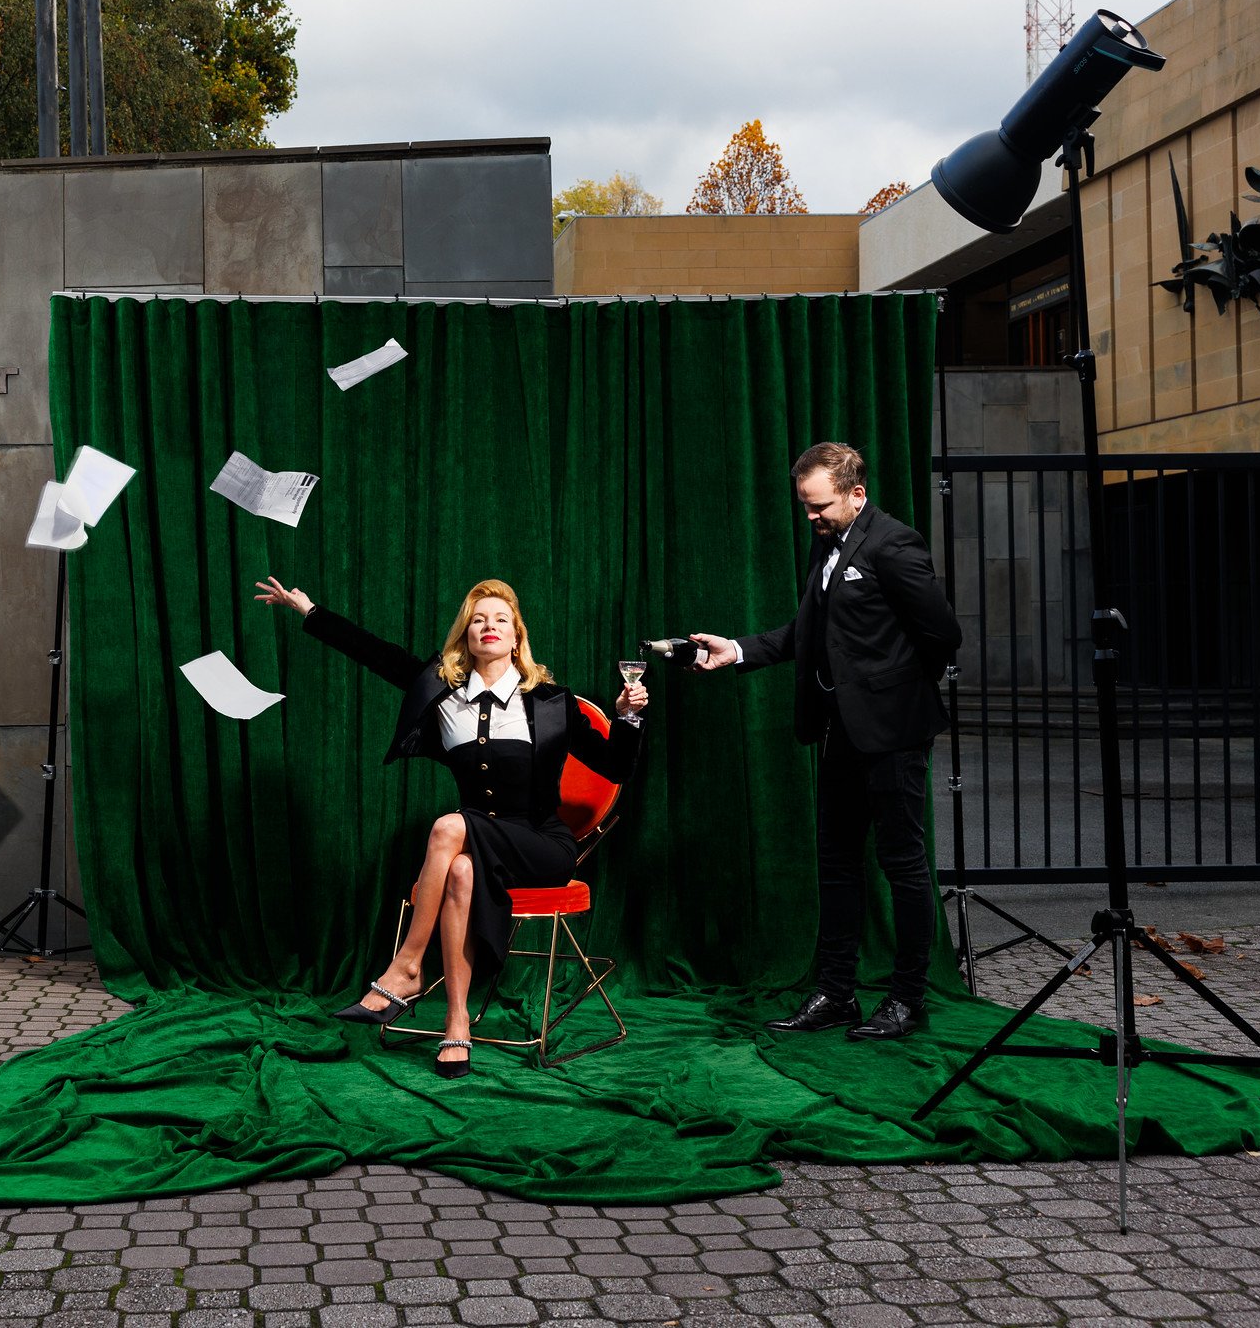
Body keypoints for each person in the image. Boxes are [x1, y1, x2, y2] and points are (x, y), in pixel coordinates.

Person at [255, 575, 647, 1078]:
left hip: (543, 845)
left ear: (517, 637)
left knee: (447, 828)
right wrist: (309, 611)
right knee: (459, 870)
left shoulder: (552, 701)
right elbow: (374, 652)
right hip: (475, 842)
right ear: (465, 635)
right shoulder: (440, 692)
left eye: (501, 619)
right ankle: (456, 1024)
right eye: (478, 619)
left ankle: (408, 965)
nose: (489, 626)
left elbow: (615, 768)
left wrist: (626, 719)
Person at [689, 441, 962, 1042]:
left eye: (820, 507)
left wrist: (890, 688)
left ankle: (908, 999)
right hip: (840, 732)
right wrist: (736, 650)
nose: (811, 519)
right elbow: (806, 632)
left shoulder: (894, 544)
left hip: (892, 734)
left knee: (904, 866)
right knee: (836, 865)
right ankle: (837, 994)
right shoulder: (829, 548)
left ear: (857, 493)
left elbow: (942, 633)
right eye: (806, 508)